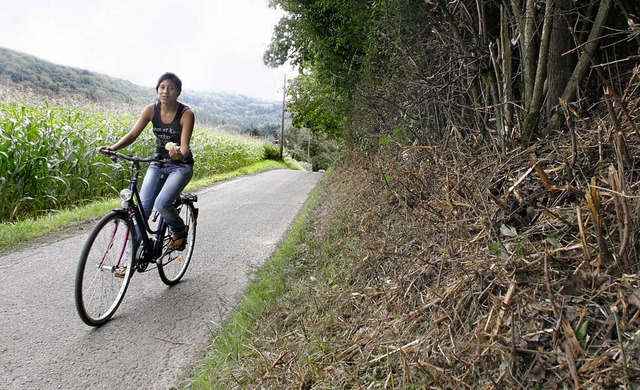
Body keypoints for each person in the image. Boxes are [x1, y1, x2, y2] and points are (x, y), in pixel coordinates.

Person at [97, 72, 195, 250]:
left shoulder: (186, 114)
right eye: (162, 87)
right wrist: (113, 148)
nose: (166, 91)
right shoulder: (151, 110)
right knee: (142, 211)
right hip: (157, 163)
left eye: (171, 88)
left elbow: (185, 147)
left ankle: (179, 230)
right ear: (157, 89)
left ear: (178, 92)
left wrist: (179, 154)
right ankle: (129, 262)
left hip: (180, 167)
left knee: (162, 204)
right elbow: (133, 135)